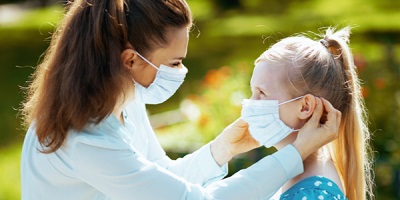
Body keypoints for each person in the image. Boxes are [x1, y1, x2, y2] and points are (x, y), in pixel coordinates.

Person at [20, 0, 341, 199]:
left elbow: (160, 179)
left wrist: (222, 149)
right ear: (131, 60)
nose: (182, 71)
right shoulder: (85, 139)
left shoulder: (123, 101)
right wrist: (295, 155)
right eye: (174, 62)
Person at [242, 27, 374, 200]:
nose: (251, 103)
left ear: (305, 107)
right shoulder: (293, 175)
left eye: (261, 93)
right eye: (253, 91)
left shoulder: (313, 195)